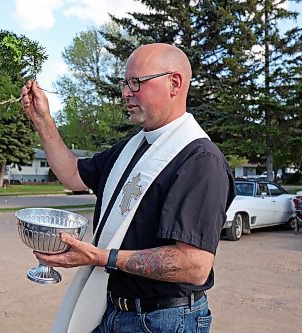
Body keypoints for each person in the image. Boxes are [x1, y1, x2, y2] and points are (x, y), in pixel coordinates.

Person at [20, 43, 235, 333]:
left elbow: (194, 265)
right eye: (125, 83)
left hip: (164, 321)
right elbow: (73, 175)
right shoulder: (131, 149)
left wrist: (100, 257)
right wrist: (42, 119)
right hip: (111, 310)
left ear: (174, 83)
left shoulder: (200, 159)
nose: (125, 93)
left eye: (136, 82)